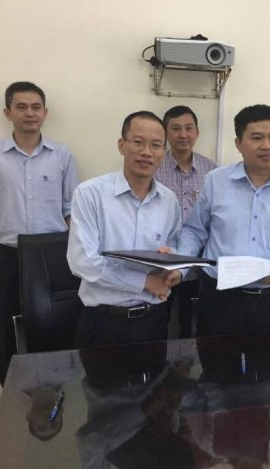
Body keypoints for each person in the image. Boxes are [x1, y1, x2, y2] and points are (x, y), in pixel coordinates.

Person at [172, 104, 270, 338]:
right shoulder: (216, 181)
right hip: (220, 298)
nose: (267, 145)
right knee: (216, 359)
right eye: (257, 138)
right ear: (238, 143)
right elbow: (194, 231)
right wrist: (179, 267)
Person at [0, 81, 78, 385]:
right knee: (10, 327)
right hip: (9, 254)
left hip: (55, 255)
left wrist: (76, 255)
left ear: (45, 112)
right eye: (22, 107)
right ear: (8, 112)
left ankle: (58, 392)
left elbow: (71, 209)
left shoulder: (62, 155)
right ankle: (13, 397)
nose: (30, 113)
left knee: (55, 326)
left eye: (36, 107)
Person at [67, 111, 181, 349]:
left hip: (154, 321)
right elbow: (83, 262)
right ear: (122, 145)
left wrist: (170, 265)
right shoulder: (90, 194)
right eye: (138, 142)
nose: (147, 152)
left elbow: (174, 247)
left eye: (156, 145)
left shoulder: (169, 200)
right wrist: (144, 281)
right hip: (104, 321)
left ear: (163, 152)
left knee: (154, 374)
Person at [154, 105, 217, 338]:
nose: (183, 134)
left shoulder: (212, 171)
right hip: (163, 257)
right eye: (176, 128)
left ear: (197, 132)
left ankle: (190, 358)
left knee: (192, 324)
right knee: (160, 320)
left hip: (198, 261)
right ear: (165, 133)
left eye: (189, 128)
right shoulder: (153, 167)